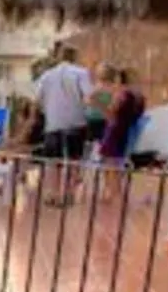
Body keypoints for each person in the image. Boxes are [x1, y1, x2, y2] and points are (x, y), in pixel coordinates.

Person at [35, 44, 93, 204]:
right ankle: (68, 194)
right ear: (75, 57)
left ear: (59, 57)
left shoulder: (46, 76)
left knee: (54, 162)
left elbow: (38, 100)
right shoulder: (82, 73)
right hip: (76, 122)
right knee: (74, 160)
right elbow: (88, 97)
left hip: (53, 123)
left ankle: (52, 193)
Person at [98, 69, 146, 198]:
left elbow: (111, 111)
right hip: (125, 130)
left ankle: (111, 192)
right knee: (117, 163)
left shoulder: (122, 94)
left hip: (114, 130)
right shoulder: (138, 96)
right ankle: (115, 192)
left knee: (110, 163)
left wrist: (100, 105)